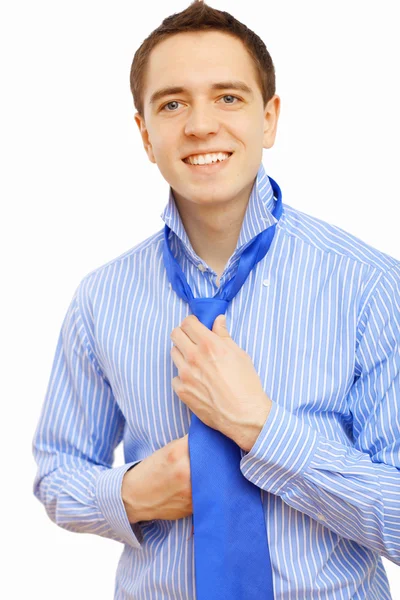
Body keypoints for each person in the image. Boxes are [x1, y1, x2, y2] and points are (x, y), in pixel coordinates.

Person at [32, 1, 400, 598]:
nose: (200, 124)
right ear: (145, 134)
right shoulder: (101, 299)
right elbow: (57, 470)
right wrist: (130, 494)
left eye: (228, 97)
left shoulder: (371, 287)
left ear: (270, 118)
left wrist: (262, 428)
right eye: (172, 103)